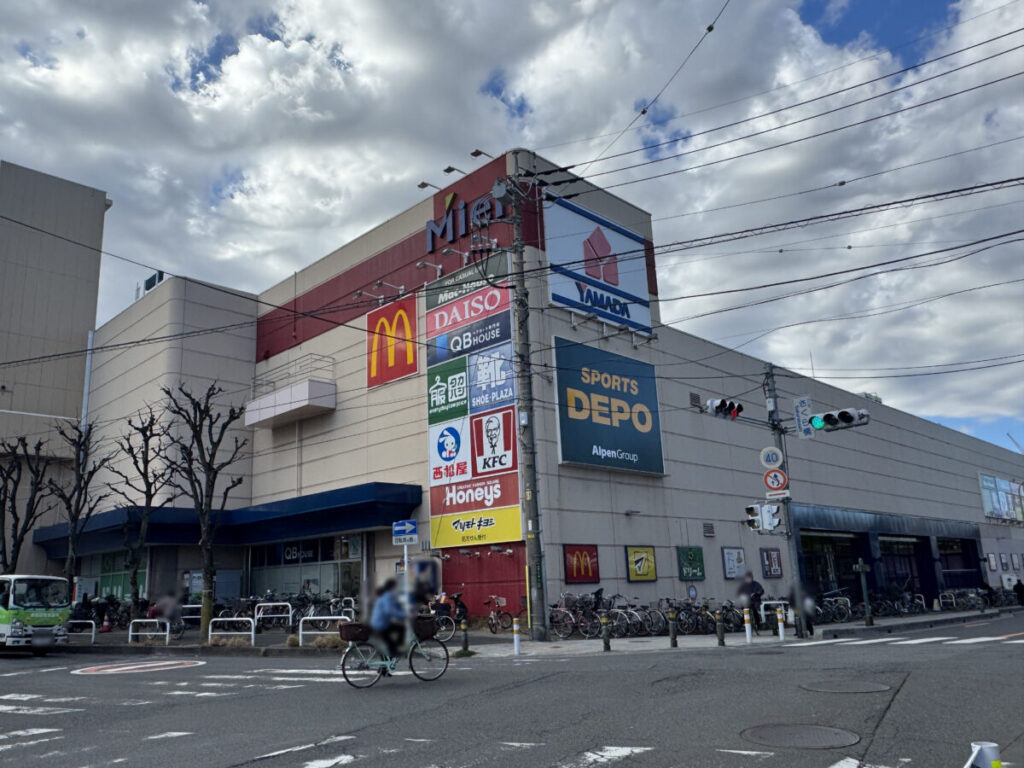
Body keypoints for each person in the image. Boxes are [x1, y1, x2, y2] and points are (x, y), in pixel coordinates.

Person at [370, 579, 406, 664]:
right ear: (392, 587)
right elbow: (389, 611)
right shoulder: (387, 596)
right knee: (401, 629)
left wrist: (403, 613)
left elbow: (397, 607)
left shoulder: (388, 596)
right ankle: (395, 652)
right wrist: (403, 615)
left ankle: (386, 666)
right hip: (380, 624)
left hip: (380, 623)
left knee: (389, 645)